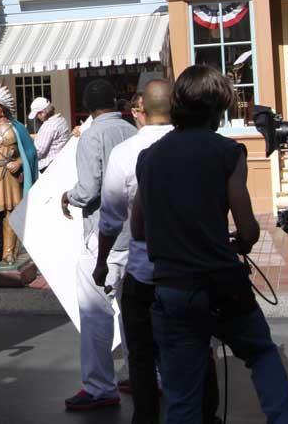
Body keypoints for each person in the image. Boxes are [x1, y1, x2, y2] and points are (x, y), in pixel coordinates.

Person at [141, 65, 288, 424]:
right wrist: (236, 242)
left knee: (182, 396)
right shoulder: (228, 152)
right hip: (221, 281)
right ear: (219, 107)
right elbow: (248, 228)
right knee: (260, 352)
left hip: (172, 284)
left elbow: (138, 227)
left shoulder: (149, 158)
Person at [95, 81, 221, 424]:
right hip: (189, 269)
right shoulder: (197, 148)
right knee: (197, 347)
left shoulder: (128, 153)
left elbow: (111, 218)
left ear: (140, 106)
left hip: (144, 270)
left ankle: (147, 416)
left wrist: (100, 263)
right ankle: (205, 415)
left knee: (141, 353)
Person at [60, 78, 137, 411]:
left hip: (103, 236)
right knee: (134, 312)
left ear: (88, 107)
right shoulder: (133, 131)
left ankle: (99, 386)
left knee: (96, 313)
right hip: (137, 234)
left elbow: (89, 188)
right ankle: (143, 374)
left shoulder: (92, 136)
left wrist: (68, 196)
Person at [0, 85, 38, 266]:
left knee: (10, 214)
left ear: (3, 107)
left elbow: (29, 153)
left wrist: (18, 163)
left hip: (10, 178)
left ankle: (9, 253)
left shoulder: (17, 129)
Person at [28, 97, 70, 173]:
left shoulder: (48, 126)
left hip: (48, 167)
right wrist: (31, 136)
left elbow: (39, 152)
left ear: (43, 112)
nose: (37, 117)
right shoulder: (61, 120)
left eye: (38, 114)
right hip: (59, 163)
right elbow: (50, 137)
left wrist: (23, 156)